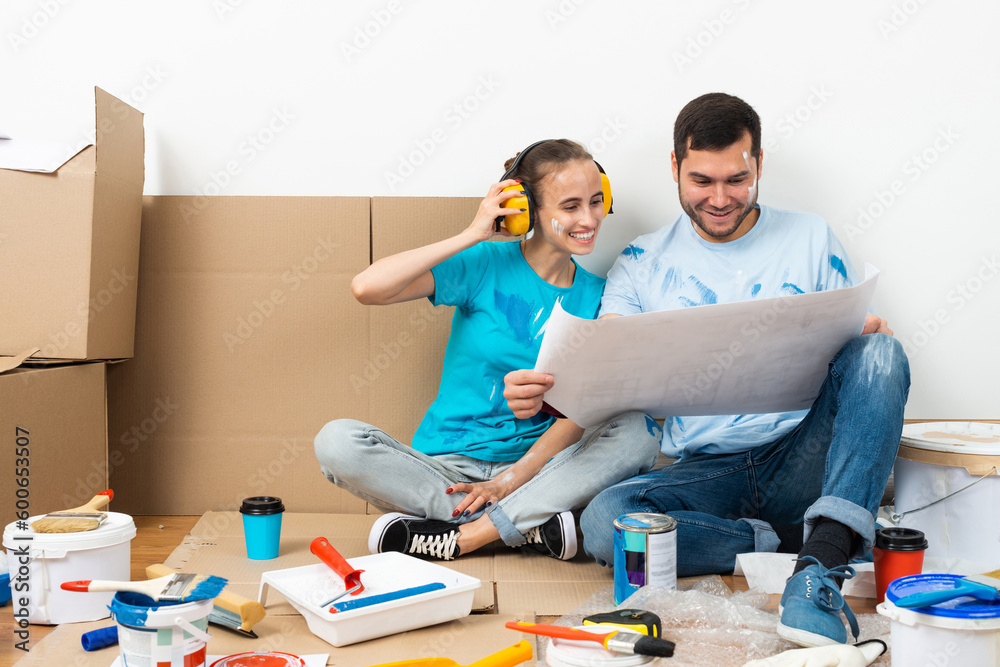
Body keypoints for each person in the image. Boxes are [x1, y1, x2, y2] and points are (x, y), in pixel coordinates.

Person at [503, 95, 910, 648]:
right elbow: (605, 374)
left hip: (799, 455)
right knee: (606, 522)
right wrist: (544, 395)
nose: (720, 199)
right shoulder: (640, 263)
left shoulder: (811, 237)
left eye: (737, 179)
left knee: (883, 355)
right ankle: (801, 538)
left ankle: (818, 571)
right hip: (705, 474)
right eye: (701, 181)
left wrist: (866, 341)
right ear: (674, 168)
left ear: (759, 165)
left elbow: (854, 356)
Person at [314, 139, 662, 563]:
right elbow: (367, 288)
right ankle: (530, 528)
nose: (589, 219)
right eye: (570, 206)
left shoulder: (601, 298)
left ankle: (466, 536)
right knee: (337, 441)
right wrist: (473, 234)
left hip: (541, 472)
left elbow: (580, 416)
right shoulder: (483, 263)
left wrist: (511, 481)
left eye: (595, 201)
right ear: (527, 211)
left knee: (639, 430)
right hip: (448, 469)